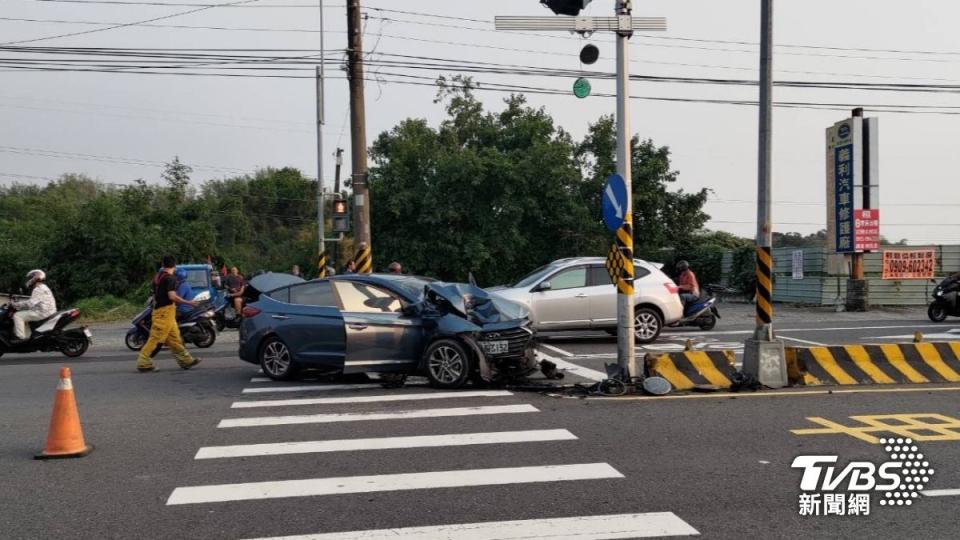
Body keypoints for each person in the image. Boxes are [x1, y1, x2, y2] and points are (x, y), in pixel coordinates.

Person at [136, 256, 201, 372]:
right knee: (155, 339)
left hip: (166, 312)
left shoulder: (158, 276)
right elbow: (172, 296)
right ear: (175, 266)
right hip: (164, 312)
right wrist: (189, 302)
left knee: (175, 338)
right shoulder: (170, 279)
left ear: (163, 264)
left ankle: (185, 360)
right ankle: (143, 362)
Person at [11, 269, 57, 342]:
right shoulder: (43, 287)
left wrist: (16, 304)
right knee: (25, 315)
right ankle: (28, 336)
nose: (29, 280)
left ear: (35, 278)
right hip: (47, 311)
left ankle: (20, 338)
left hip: (43, 312)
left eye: (31, 278)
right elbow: (33, 302)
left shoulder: (38, 289)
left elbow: (30, 304)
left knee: (18, 315)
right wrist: (19, 304)